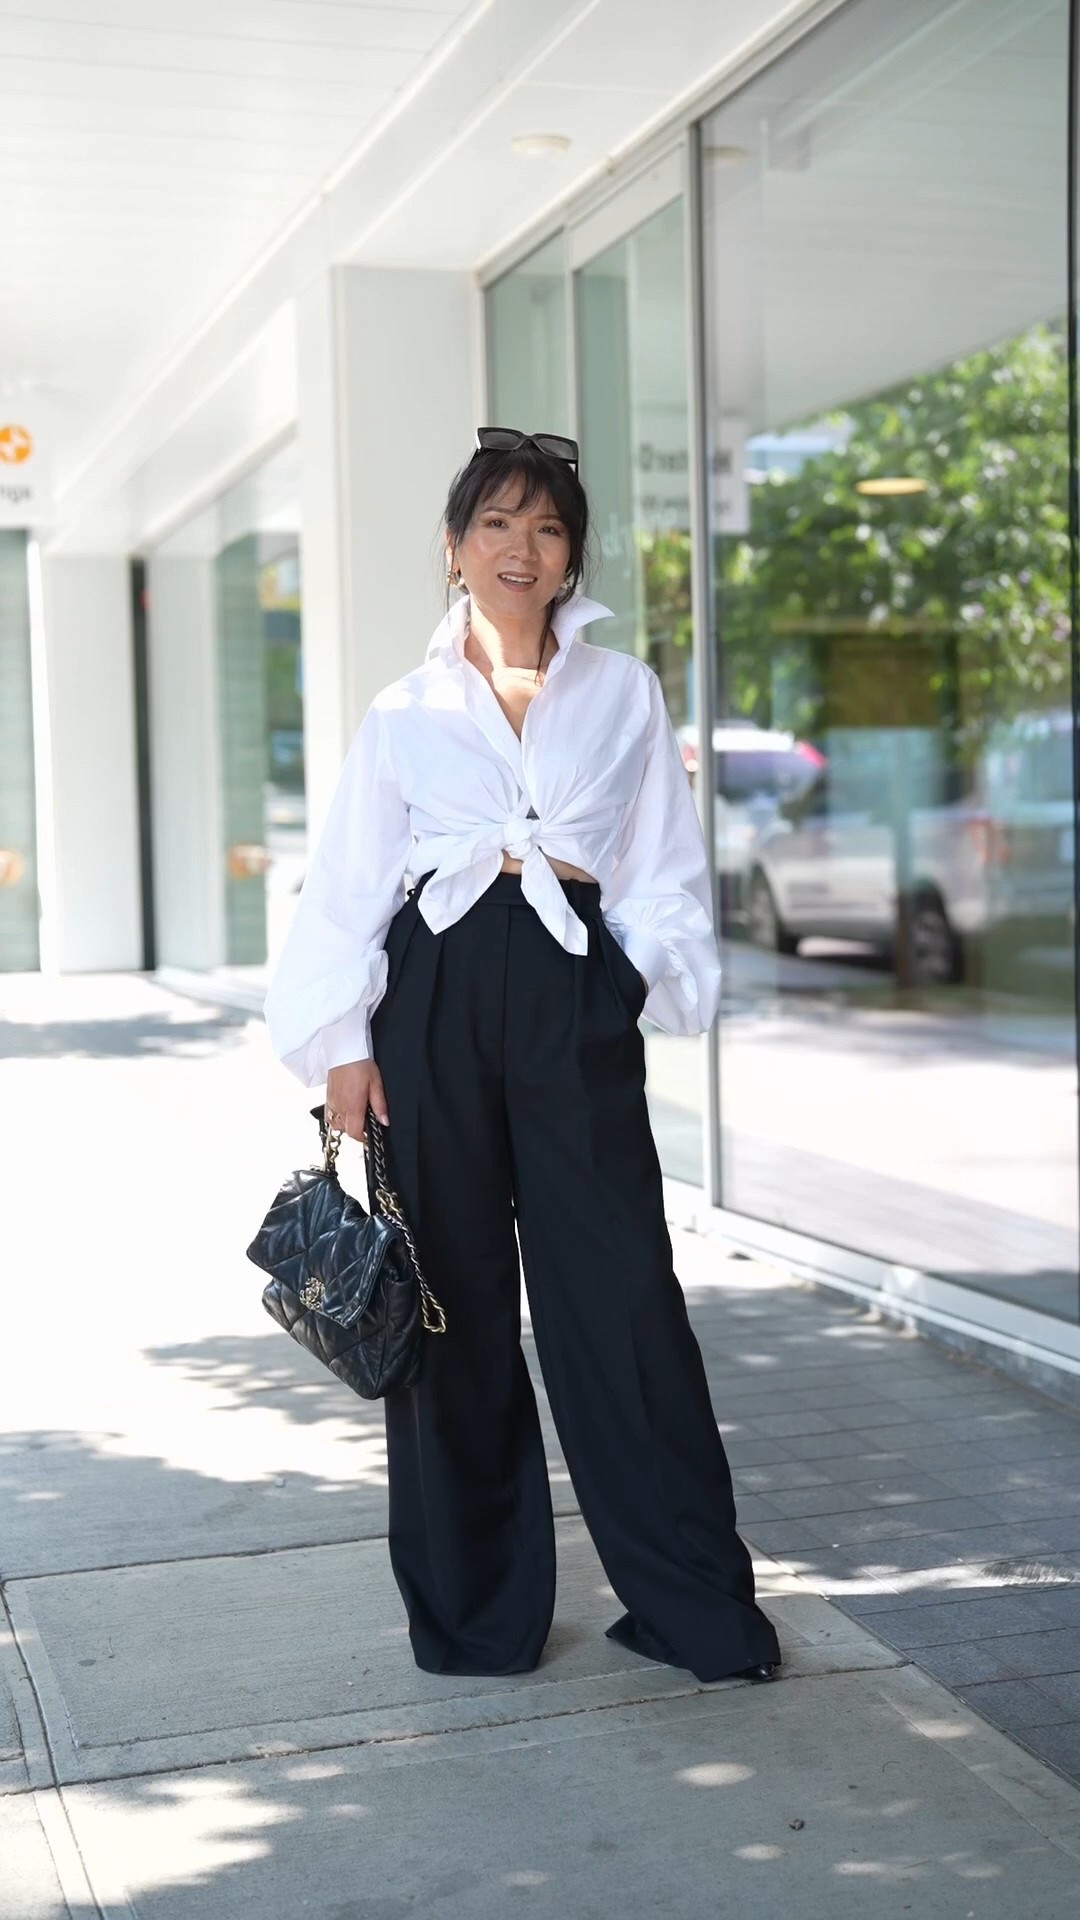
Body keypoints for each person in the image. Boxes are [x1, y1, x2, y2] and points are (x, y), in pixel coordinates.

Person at [263, 426, 781, 1686]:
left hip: (571, 989)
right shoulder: (406, 708)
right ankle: (474, 1616)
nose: (521, 547)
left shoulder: (625, 693)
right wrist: (341, 1048)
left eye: (545, 528)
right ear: (455, 550)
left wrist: (629, 984)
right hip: (432, 1000)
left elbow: (660, 862)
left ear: (569, 559)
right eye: (495, 523)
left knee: (624, 1301)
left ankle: (691, 1607)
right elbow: (344, 887)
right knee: (454, 1314)